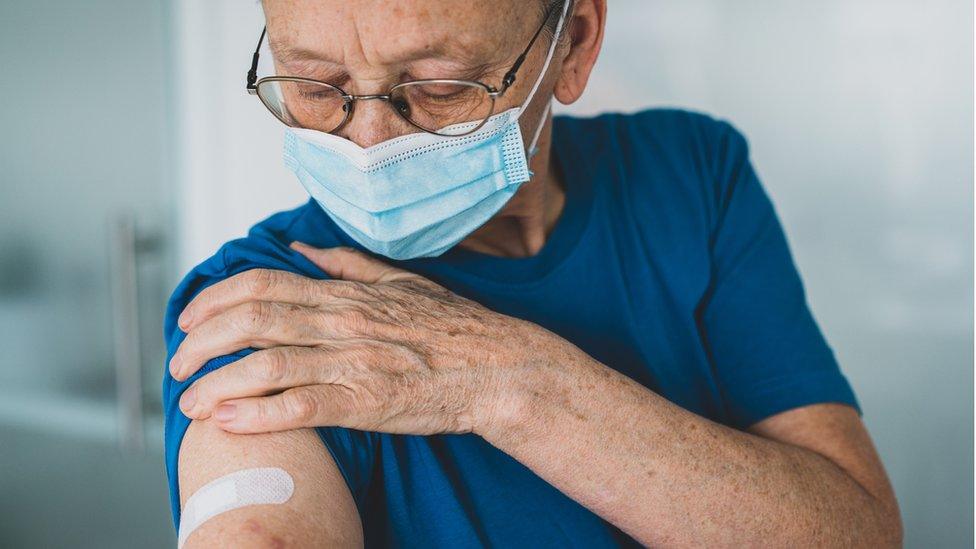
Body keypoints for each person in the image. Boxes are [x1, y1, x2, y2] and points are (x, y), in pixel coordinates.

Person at [163, 0, 903, 546]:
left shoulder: (690, 175)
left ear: (574, 43)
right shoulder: (265, 307)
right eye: (317, 85)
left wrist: (513, 383)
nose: (368, 142)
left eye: (439, 85)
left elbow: (857, 531)